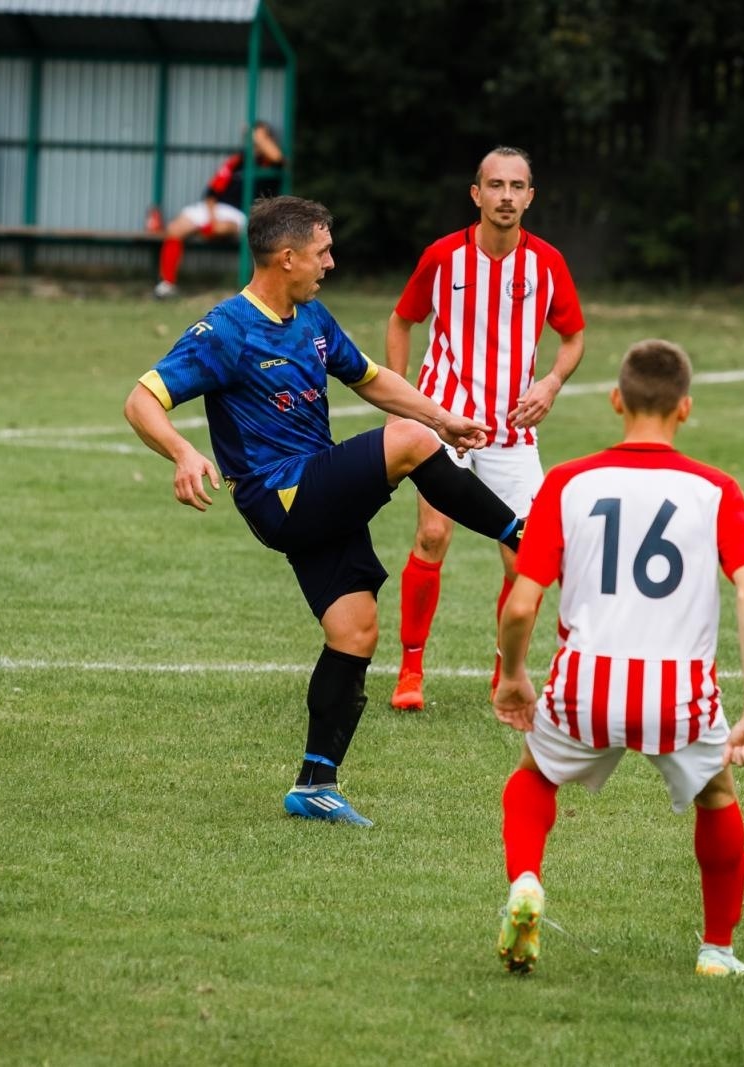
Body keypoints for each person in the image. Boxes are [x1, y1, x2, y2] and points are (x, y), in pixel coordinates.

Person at [123, 196, 527, 827]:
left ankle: (316, 784)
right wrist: (181, 452)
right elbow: (142, 400)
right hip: (279, 494)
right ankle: (521, 535)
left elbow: (368, 376)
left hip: (317, 490)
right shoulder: (227, 330)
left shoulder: (310, 316)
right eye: (322, 252)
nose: (331, 263)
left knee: (355, 630)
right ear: (287, 258)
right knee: (407, 440)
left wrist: (443, 418)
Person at [489, 339, 744, 977]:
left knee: (535, 776)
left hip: (584, 683)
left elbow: (521, 604)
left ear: (617, 401)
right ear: (686, 408)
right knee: (716, 795)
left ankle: (526, 881)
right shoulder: (715, 489)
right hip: (679, 694)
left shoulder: (567, 482)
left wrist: (512, 675)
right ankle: (716, 950)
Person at [386, 146, 586, 711]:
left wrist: (551, 382)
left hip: (511, 428)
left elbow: (573, 337)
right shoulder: (442, 257)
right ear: (476, 194)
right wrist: (401, 402)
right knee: (432, 536)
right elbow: (402, 320)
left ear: (530, 197)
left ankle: (507, 674)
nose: (505, 196)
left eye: (516, 186)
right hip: (443, 417)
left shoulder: (547, 263)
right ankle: (410, 671)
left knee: (524, 557)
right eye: (495, 185)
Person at [153, 121, 285, 299]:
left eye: (259, 137)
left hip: (240, 214)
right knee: (174, 229)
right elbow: (211, 193)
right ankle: (167, 285)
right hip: (215, 209)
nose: (254, 141)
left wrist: (257, 135)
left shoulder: (270, 162)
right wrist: (211, 215)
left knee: (221, 227)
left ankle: (208, 230)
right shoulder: (237, 161)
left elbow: (277, 158)